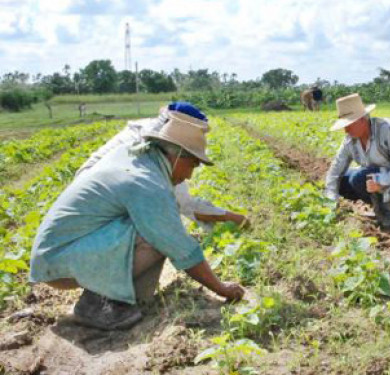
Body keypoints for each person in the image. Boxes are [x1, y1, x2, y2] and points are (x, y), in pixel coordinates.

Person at [29, 109, 245, 331]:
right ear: (178, 155)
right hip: (59, 260)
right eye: (192, 165)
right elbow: (179, 246)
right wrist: (221, 289)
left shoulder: (135, 156)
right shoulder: (146, 182)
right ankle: (98, 303)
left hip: (60, 253)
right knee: (158, 235)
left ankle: (122, 298)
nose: (189, 175)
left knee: (157, 228)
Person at [76, 102, 247, 228]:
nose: (189, 175)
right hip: (93, 207)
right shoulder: (148, 147)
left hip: (87, 196)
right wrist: (232, 217)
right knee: (156, 229)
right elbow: (184, 204)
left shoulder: (156, 136)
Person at [324, 93, 390, 229]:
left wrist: (384, 180)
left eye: (349, 125)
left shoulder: (387, 129)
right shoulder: (350, 140)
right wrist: (331, 200)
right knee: (342, 181)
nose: (346, 130)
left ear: (362, 120)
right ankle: (377, 201)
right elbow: (335, 170)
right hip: (374, 177)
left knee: (359, 178)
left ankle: (387, 215)